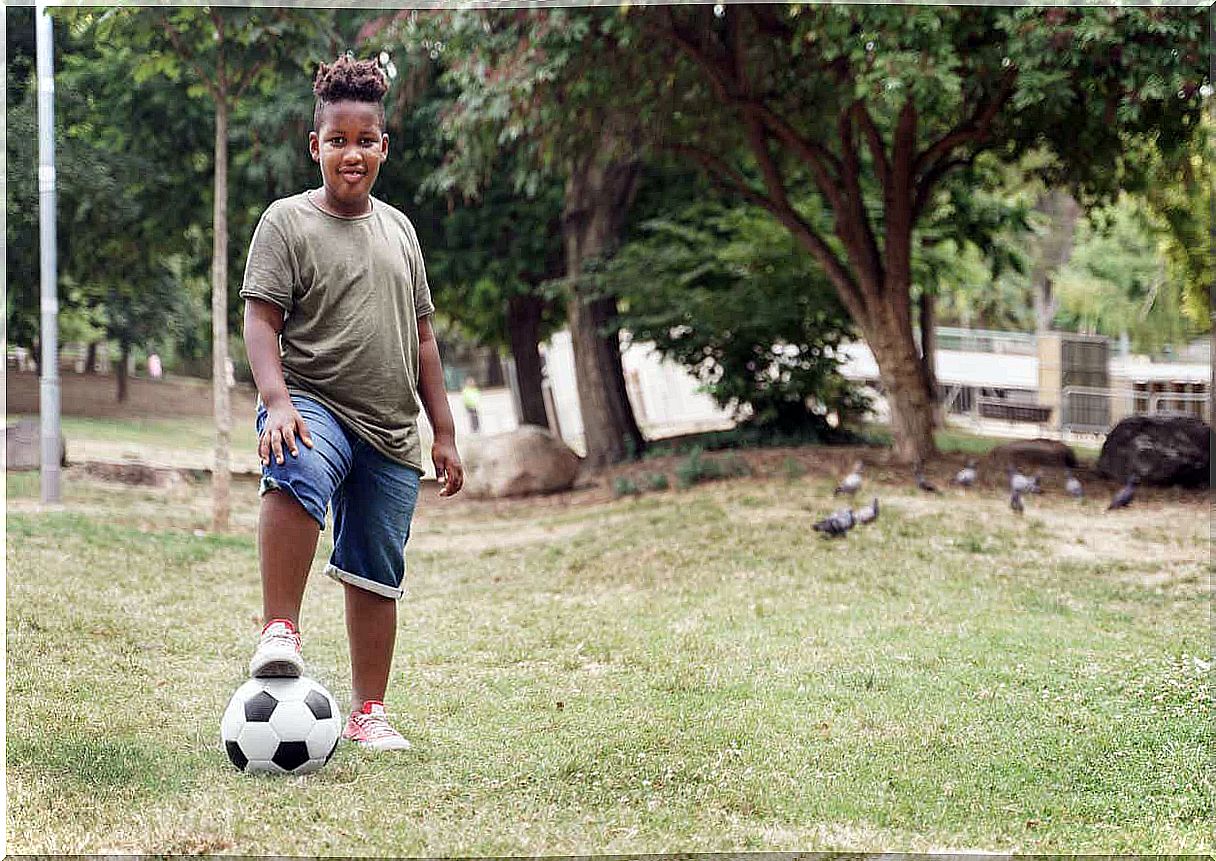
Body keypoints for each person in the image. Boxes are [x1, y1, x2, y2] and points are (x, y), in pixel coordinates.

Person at [239, 54, 464, 752]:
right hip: (315, 401)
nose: (352, 153)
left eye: (366, 140)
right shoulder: (287, 223)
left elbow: (423, 340)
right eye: (338, 140)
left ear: (384, 146)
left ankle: (370, 712)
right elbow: (260, 319)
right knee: (298, 463)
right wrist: (276, 400)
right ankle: (280, 629)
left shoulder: (400, 230)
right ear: (316, 146)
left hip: (392, 429)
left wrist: (445, 431)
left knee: (376, 567)